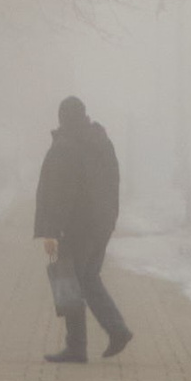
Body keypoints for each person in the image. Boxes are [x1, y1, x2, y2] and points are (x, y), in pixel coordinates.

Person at [34, 93, 131, 363]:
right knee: (88, 278)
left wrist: (52, 230)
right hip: (101, 224)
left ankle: (77, 346)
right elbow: (113, 182)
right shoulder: (101, 141)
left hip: (75, 227)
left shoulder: (66, 146)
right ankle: (117, 330)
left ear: (62, 118)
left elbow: (60, 193)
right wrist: (109, 218)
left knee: (69, 282)